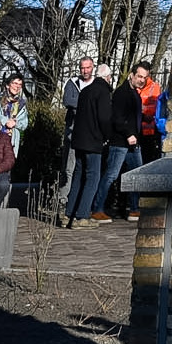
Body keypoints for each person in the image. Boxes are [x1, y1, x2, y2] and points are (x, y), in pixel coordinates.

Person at [64, 62, 115, 228]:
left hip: (79, 140)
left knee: (78, 176)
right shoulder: (103, 93)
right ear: (107, 77)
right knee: (93, 177)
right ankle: (82, 216)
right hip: (93, 141)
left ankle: (68, 214)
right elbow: (104, 119)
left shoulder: (85, 91)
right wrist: (107, 136)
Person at [99, 61, 152, 221]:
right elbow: (117, 118)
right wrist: (129, 133)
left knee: (137, 174)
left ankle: (134, 209)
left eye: (145, 77)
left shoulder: (135, 93)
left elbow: (130, 115)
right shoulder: (121, 93)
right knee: (111, 175)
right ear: (132, 75)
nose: (142, 80)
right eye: (139, 76)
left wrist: (144, 117)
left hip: (133, 143)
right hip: (120, 142)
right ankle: (97, 208)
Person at [62, 58, 107, 194]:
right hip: (72, 130)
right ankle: (63, 198)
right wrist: (87, 105)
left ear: (92, 68)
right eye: (82, 68)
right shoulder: (72, 83)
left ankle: (80, 199)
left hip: (90, 133)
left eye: (88, 68)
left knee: (86, 168)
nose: (85, 71)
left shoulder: (97, 83)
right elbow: (67, 100)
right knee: (69, 167)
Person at [0, 74, 31, 144]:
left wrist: (15, 123)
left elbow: (24, 124)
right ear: (7, 85)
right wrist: (5, 121)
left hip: (12, 142)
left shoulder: (21, 104)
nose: (17, 86)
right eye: (15, 83)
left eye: (20, 84)